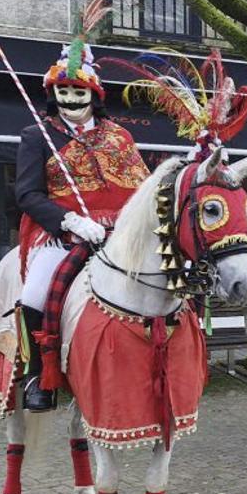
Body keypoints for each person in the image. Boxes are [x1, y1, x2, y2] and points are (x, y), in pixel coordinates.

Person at [15, 39, 150, 410]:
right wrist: (68, 220)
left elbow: (142, 188)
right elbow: (26, 194)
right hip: (64, 233)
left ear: (93, 93)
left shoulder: (120, 136)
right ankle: (37, 376)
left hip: (120, 233)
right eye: (64, 90)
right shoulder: (36, 136)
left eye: (79, 90)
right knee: (35, 294)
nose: (71, 98)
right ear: (53, 91)